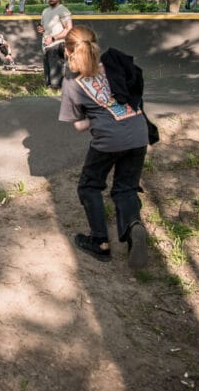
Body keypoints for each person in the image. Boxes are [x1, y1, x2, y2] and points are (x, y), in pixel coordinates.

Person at [59, 25, 150, 270]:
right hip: (139, 132)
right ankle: (133, 227)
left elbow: (79, 126)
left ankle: (100, 241)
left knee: (89, 185)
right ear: (95, 45)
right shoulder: (114, 64)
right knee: (125, 188)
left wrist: (96, 119)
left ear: (68, 52)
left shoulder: (71, 82)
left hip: (109, 140)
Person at [35, 0, 73, 89]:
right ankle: (48, 92)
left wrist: (54, 38)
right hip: (46, 45)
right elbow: (44, 28)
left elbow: (69, 29)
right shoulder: (45, 11)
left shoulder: (63, 10)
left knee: (56, 79)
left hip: (58, 45)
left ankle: (57, 94)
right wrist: (41, 29)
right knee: (48, 76)